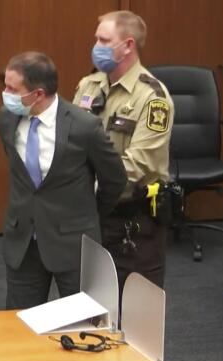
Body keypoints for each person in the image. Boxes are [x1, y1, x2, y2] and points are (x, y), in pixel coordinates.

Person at [0, 51, 127, 309]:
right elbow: (22, 175)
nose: (5, 93)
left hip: (72, 243)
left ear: (38, 94)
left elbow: (115, 179)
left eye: (12, 88)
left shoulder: (84, 127)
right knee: (18, 327)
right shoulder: (6, 118)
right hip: (23, 241)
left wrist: (89, 216)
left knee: (81, 325)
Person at [73, 11, 174, 296]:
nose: (96, 46)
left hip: (133, 223)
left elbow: (139, 164)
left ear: (128, 45)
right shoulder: (88, 86)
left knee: (135, 314)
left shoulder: (153, 97)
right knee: (93, 306)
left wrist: (85, 189)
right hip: (92, 217)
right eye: (96, 38)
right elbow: (69, 144)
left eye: (104, 40)